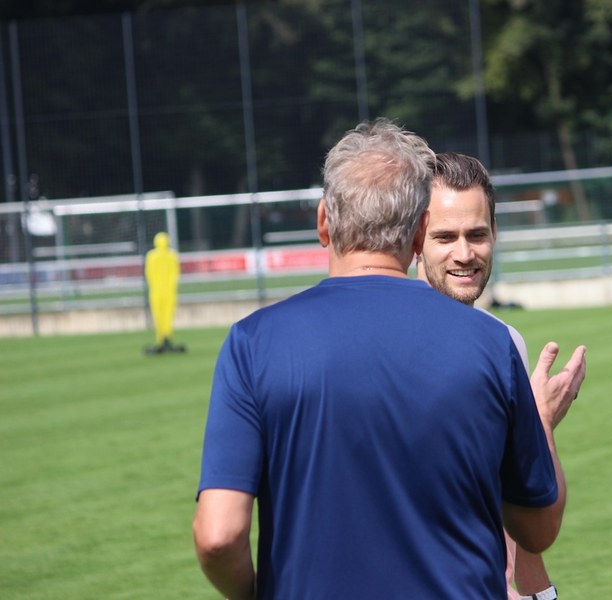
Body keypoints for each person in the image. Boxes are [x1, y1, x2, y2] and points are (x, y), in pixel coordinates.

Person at [193, 120, 574, 600]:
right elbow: (537, 530)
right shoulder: (490, 343)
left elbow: (218, 536)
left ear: (323, 222)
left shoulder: (253, 343)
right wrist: (541, 422)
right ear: (419, 233)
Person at [417, 152, 587, 599]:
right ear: (416, 236)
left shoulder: (503, 341)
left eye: (476, 234)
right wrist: (540, 421)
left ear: (495, 232)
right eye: (445, 237)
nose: (464, 254)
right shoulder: (388, 341)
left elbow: (521, 517)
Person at [144, 231, 185, 354]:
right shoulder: (172, 255)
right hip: (169, 292)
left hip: (156, 291)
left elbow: (149, 274)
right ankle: (167, 338)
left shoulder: (151, 256)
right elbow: (175, 273)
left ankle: (161, 339)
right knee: (168, 315)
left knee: (159, 316)